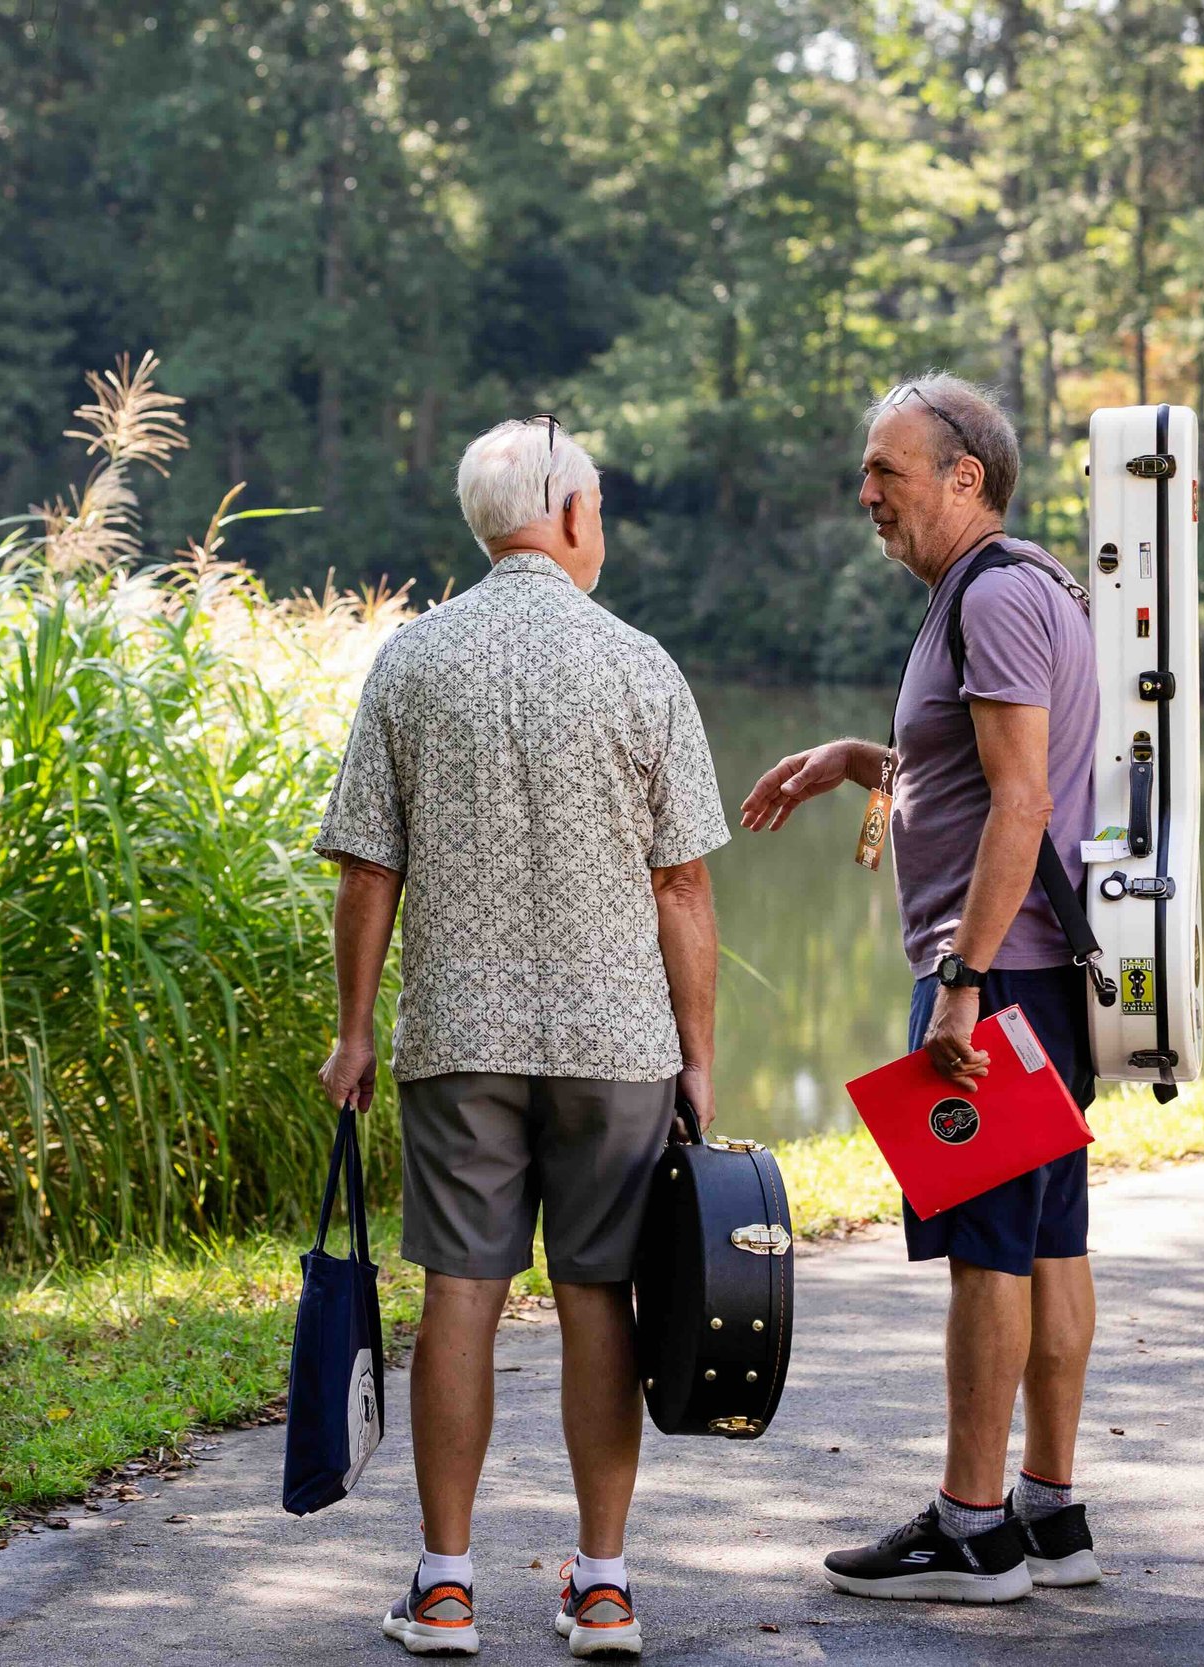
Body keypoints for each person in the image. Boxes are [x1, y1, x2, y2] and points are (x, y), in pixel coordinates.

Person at [314, 417, 729, 1659]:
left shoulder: (413, 662)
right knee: (600, 1292)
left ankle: (445, 1586)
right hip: (616, 1042)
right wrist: (697, 1056)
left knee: (462, 1293)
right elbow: (683, 889)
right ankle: (600, 1584)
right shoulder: (640, 662)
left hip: (459, 1035)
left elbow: (365, 873)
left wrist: (351, 1034)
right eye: (595, 504)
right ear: (568, 514)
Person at [739, 374, 1103, 1603]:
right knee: (1049, 1241)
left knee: (988, 1255)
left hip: (993, 974)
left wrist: (960, 976)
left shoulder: (989, 597)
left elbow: (1022, 798)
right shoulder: (1025, 586)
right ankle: (1049, 1511)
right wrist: (861, 760)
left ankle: (971, 1526)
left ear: (966, 476)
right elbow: (982, 764)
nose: (867, 493)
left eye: (888, 469)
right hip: (1034, 973)